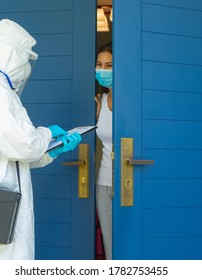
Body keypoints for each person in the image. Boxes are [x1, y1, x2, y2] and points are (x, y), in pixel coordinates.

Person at [0, 19, 81, 260]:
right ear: (11, 53)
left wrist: (50, 152)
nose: (26, 66)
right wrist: (46, 133)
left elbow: (7, 152)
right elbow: (22, 145)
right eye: (25, 58)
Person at [94, 41, 113, 260]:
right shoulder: (101, 100)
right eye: (99, 65)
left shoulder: (131, 100)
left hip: (127, 182)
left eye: (109, 65)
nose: (102, 70)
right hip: (103, 184)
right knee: (111, 250)